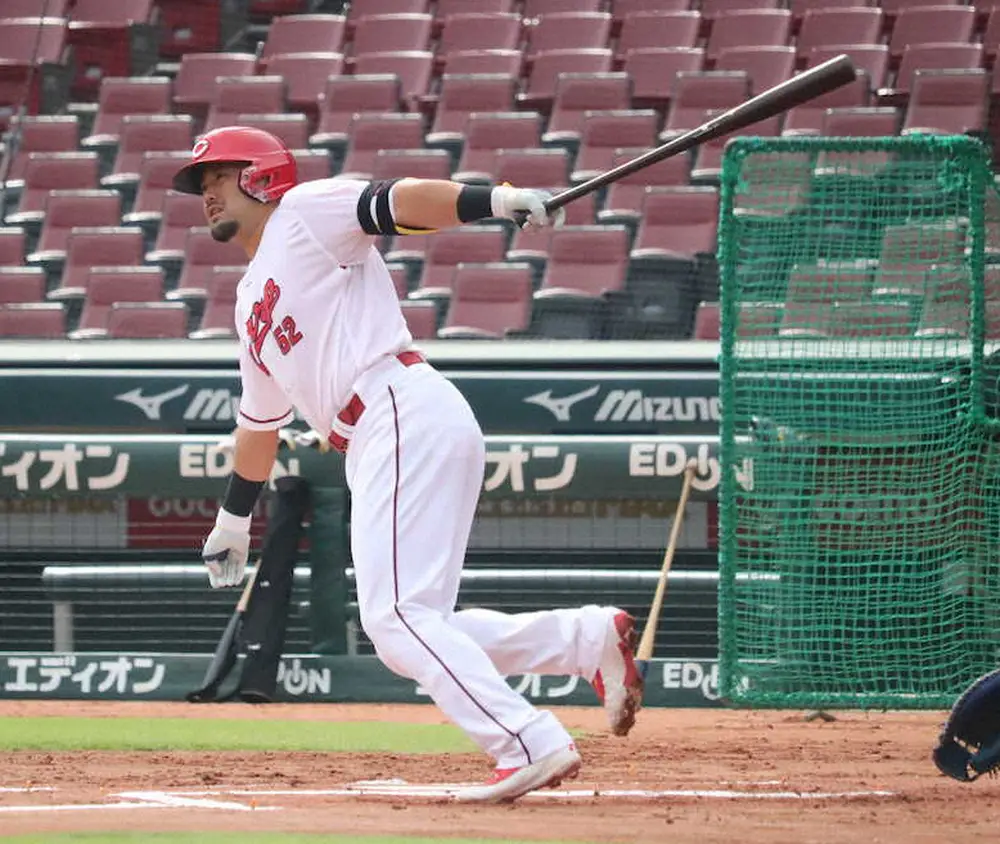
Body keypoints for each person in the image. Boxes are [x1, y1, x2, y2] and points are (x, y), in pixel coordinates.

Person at [173, 126, 644, 803]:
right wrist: (231, 520)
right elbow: (259, 424)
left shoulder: (305, 211)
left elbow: (398, 201)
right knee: (421, 621)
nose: (207, 194)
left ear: (261, 176)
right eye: (202, 184)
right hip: (377, 434)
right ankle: (585, 639)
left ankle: (526, 741)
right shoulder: (251, 303)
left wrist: (497, 199)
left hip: (398, 407)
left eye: (218, 177)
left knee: (396, 621)